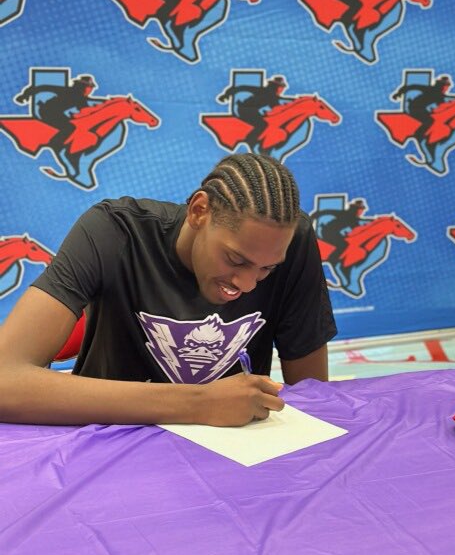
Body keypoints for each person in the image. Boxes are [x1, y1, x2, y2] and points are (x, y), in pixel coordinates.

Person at [0, 153, 336, 428]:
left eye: (267, 269)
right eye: (235, 259)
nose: (247, 284)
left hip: (232, 468)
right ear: (199, 211)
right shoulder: (114, 232)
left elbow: (313, 398)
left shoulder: (294, 242)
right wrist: (197, 404)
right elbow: (4, 382)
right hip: (105, 452)